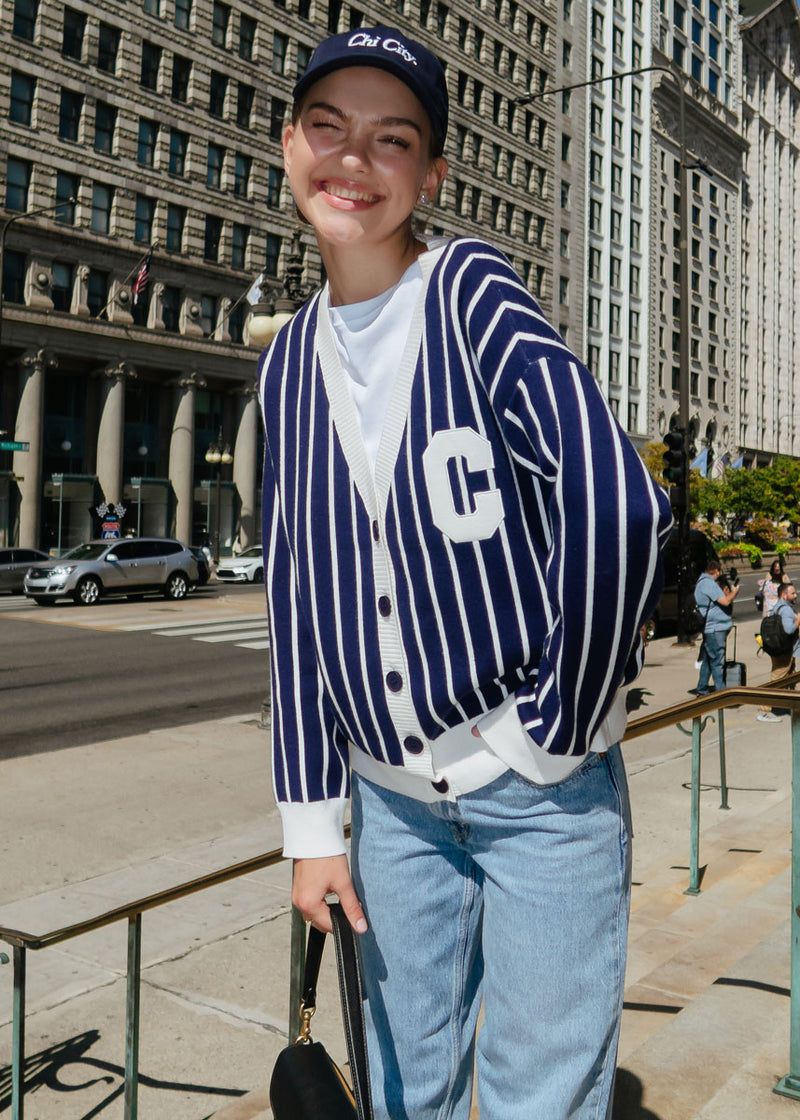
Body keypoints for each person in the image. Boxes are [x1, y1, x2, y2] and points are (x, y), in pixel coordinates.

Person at [258, 25, 672, 1120]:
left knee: (539, 1099)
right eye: (327, 128)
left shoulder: (470, 291)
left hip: (538, 795)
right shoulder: (288, 362)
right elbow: (296, 603)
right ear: (288, 146)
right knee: (400, 1095)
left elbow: (617, 502)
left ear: (429, 174)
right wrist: (312, 832)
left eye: (391, 139)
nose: (353, 160)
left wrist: (561, 722)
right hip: (386, 811)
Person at [691, 556, 739, 696]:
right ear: (717, 571)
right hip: (715, 628)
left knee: (708, 659)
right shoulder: (708, 583)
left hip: (713, 628)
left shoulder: (703, 582)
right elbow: (725, 602)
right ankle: (721, 692)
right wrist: (734, 593)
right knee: (718, 661)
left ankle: (702, 688)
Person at [758, 581, 800, 722]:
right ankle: (763, 711)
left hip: (783, 650)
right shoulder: (787, 610)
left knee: (791, 678)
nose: (795, 595)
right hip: (784, 652)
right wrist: (797, 621)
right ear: (784, 594)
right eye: (792, 593)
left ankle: (794, 705)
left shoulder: (778, 607)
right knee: (777, 681)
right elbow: (789, 629)